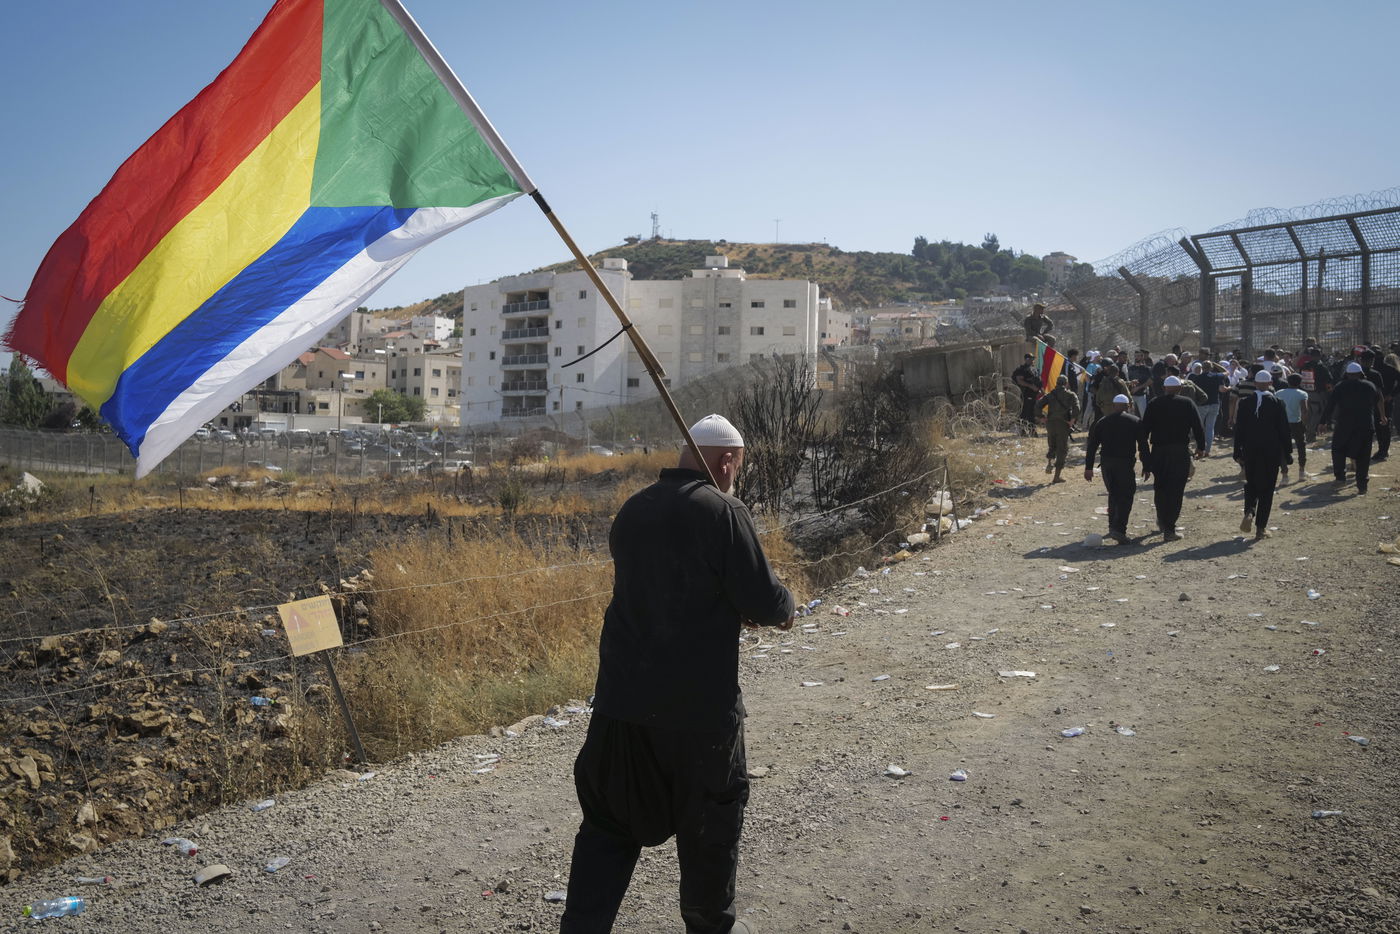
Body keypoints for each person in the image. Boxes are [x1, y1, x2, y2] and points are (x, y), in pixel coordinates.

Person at [562, 414, 794, 934]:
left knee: (607, 827)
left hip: (621, 709)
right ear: (726, 461)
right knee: (710, 830)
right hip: (699, 716)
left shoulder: (634, 509)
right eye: (737, 467)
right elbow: (764, 599)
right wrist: (785, 605)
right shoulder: (723, 511)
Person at [1138, 375, 1206, 542]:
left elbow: (1143, 433)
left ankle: (1162, 520)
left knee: (1160, 487)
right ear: (1180, 388)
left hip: (1159, 452)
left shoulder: (1154, 403)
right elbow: (1198, 427)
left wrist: (1146, 459)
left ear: (1164, 388)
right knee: (1176, 490)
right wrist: (1201, 447)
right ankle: (1169, 529)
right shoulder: (1187, 403)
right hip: (1179, 452)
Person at [1233, 372, 1293, 540]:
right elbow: (1284, 430)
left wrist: (1237, 451)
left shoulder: (1245, 403)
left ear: (1255, 384)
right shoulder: (1277, 403)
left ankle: (1249, 511)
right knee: (1267, 488)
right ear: (1270, 383)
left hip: (1250, 450)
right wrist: (1287, 452)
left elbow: (1239, 428)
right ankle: (1261, 528)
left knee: (1251, 484)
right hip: (1271, 451)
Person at [1084, 393, 1149, 544]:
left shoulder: (1102, 422)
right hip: (1124, 464)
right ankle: (1119, 530)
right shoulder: (1135, 421)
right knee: (1126, 496)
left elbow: (1092, 446)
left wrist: (1088, 468)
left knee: (1113, 494)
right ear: (1129, 406)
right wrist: (1147, 466)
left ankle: (1112, 526)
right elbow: (1143, 446)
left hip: (1107, 464)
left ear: (1113, 406)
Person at [1322, 362, 1387, 494]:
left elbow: (1330, 405)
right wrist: (1382, 416)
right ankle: (1362, 485)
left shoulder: (1340, 386)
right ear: (1361, 374)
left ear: (1347, 374)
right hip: (1366, 425)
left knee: (1338, 449)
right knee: (1364, 455)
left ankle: (1340, 478)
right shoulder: (1370, 385)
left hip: (1344, 425)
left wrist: (1323, 422)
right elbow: (1379, 399)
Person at [1036, 374, 1081, 483]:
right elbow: (1077, 407)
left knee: (1052, 445)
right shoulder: (1071, 395)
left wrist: (1041, 417)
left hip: (1050, 423)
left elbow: (1038, 405)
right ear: (1066, 383)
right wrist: (1072, 420)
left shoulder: (1050, 394)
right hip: (1063, 424)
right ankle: (1056, 476)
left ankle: (1049, 463)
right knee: (1062, 449)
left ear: (1056, 383)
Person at [1187, 360, 1228, 453]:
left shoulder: (1197, 378)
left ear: (1202, 368)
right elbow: (1226, 372)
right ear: (1212, 367)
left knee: (1199, 427)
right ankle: (1207, 450)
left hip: (1202, 404)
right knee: (1210, 428)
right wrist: (1215, 364)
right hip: (1215, 403)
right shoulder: (1217, 376)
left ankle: (1199, 448)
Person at [1275, 374, 1310, 481]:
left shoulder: (1278, 393)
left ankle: (1284, 474)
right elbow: (1304, 411)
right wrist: (1305, 424)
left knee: (1282, 447)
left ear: (1288, 381)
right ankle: (1301, 471)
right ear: (1299, 383)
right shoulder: (1302, 394)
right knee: (1301, 446)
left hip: (1282, 424)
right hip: (1296, 423)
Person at [1011, 354, 1041, 437]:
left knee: (1030, 412)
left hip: (1034, 394)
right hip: (1026, 393)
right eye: (1030, 359)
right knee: (1027, 412)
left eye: (1033, 359)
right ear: (1026, 359)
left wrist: (1040, 389)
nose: (1032, 361)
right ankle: (1029, 431)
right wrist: (1031, 386)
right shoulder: (1021, 369)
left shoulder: (1034, 369)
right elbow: (1019, 380)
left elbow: (1037, 380)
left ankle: (1026, 430)